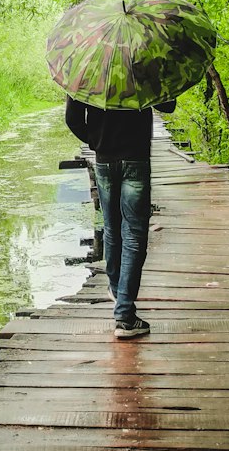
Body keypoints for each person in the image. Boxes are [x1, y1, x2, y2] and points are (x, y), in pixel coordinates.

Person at [65, 95, 175, 339]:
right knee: (135, 235)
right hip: (136, 156)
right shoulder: (143, 61)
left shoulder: (89, 67)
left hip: (105, 160)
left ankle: (118, 291)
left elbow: (72, 119)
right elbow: (168, 106)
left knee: (112, 229)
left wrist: (95, 142)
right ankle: (125, 315)